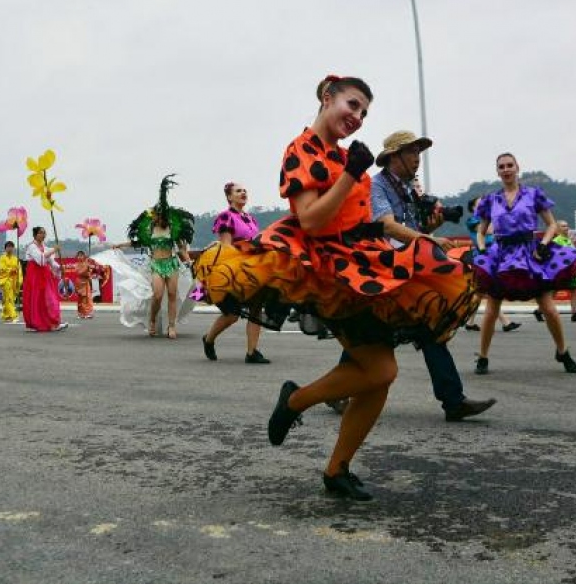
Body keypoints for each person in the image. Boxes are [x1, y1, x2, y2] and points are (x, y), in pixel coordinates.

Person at [195, 75, 478, 501]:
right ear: (327, 99)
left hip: (362, 265)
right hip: (328, 271)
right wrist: (351, 173)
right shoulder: (300, 150)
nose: (358, 116)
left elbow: (358, 220)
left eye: (364, 111)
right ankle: (296, 405)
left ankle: (336, 468)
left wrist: (416, 238)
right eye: (352, 104)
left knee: (378, 377)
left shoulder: (347, 157)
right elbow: (311, 221)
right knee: (381, 371)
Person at [343, 130, 495, 422]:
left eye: (418, 153)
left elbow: (414, 231)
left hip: (405, 271)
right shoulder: (377, 187)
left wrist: (431, 229)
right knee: (373, 335)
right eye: (412, 152)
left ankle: (453, 400)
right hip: (385, 272)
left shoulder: (409, 189)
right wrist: (428, 239)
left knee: (427, 329)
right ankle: (333, 392)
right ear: (393, 157)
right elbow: (387, 226)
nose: (417, 159)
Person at [472, 153, 576, 375]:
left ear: (517, 167)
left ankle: (562, 351)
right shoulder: (490, 200)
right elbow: (481, 231)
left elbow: (552, 224)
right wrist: (483, 249)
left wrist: (543, 244)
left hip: (530, 254)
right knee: (491, 309)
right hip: (502, 255)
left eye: (509, 165)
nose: (506, 169)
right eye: (501, 166)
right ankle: (483, 357)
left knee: (549, 309)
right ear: (497, 171)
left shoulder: (534, 195)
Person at [201, 181, 270, 363]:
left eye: (245, 190)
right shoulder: (226, 217)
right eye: (238, 191)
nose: (243, 193)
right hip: (233, 269)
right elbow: (226, 248)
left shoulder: (250, 218)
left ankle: (252, 352)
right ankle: (208, 339)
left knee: (256, 308)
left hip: (251, 268)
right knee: (232, 315)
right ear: (230, 197)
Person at [120, 175, 195, 339]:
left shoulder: (172, 229)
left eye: (159, 214)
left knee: (172, 295)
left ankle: (172, 326)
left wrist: (189, 262)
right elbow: (138, 243)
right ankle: (152, 320)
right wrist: (120, 246)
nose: (157, 216)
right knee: (158, 295)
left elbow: (182, 249)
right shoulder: (149, 230)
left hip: (172, 263)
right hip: (156, 264)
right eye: (156, 214)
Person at [462, 195, 519, 333]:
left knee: (481, 292)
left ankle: (469, 322)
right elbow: (489, 230)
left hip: (493, 256)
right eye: (480, 203)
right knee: (492, 290)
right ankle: (506, 322)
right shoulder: (473, 220)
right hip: (483, 257)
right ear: (473, 208)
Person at [532, 220, 576, 322]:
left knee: (575, 290)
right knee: (553, 293)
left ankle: (575, 314)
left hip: (569, 272)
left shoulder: (569, 241)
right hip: (559, 273)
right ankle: (539, 310)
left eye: (567, 226)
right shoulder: (557, 241)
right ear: (557, 229)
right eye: (563, 226)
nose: (566, 228)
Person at [21, 226, 68, 332]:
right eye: (41, 233)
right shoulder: (31, 247)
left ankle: (54, 322)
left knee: (51, 299)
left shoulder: (45, 247)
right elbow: (41, 260)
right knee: (37, 300)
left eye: (44, 233)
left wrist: (60, 267)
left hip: (45, 276)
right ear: (35, 235)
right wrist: (54, 250)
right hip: (35, 277)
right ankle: (39, 323)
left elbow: (51, 262)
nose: (43, 235)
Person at [0, 242, 22, 323]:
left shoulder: (16, 259)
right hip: (6, 280)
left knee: (7, 298)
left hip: (14, 281)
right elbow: (1, 269)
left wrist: (19, 280)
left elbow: (19, 271)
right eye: (8, 247)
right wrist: (11, 270)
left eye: (11, 247)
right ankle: (13, 315)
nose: (10, 248)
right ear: (5, 248)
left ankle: (6, 315)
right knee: (9, 297)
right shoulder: (2, 258)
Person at [73, 250, 102, 319]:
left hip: (86, 282)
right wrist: (87, 267)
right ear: (77, 257)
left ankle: (88, 313)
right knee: (80, 299)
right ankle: (81, 313)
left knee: (87, 298)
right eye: (79, 255)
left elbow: (96, 268)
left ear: (84, 256)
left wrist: (91, 268)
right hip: (79, 282)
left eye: (81, 255)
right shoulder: (76, 264)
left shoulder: (88, 263)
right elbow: (79, 272)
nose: (80, 257)